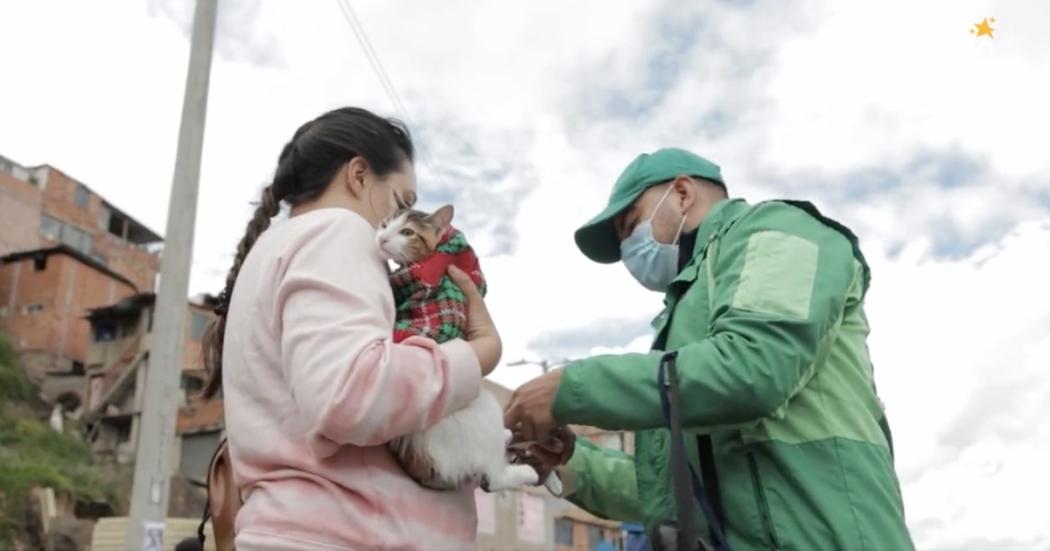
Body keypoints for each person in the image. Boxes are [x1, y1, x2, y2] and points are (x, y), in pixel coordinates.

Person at [505, 148, 913, 550]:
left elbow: (753, 368)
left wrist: (572, 387)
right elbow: (672, 494)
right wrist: (570, 460)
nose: (630, 248)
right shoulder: (685, 309)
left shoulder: (778, 230)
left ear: (682, 193)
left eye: (631, 225)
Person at [201, 107, 502, 550]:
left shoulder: (275, 250)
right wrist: (480, 354)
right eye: (401, 202)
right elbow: (351, 394)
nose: (399, 223)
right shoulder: (338, 231)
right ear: (359, 175)